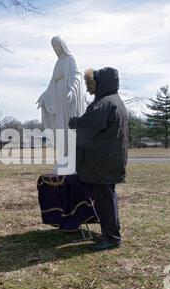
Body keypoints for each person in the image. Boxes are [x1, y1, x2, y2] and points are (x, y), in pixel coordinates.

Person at [69, 67, 128, 251]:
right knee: (107, 199)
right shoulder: (114, 102)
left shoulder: (105, 103)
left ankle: (111, 238)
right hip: (108, 161)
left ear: (102, 82)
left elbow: (90, 124)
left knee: (105, 201)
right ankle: (109, 233)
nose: (89, 87)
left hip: (102, 163)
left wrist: (75, 122)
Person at [37, 35, 84, 130]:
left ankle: (70, 143)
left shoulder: (71, 59)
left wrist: (71, 90)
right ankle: (62, 143)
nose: (55, 49)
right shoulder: (58, 62)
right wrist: (44, 96)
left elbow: (77, 75)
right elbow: (52, 83)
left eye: (56, 46)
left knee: (67, 120)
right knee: (60, 121)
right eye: (53, 46)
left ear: (62, 45)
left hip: (67, 94)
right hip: (58, 94)